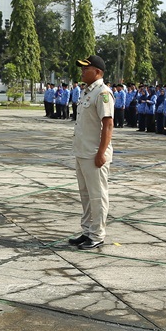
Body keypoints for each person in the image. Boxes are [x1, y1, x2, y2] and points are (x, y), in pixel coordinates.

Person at [68, 55, 113, 251]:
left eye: (86, 69)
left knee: (97, 195)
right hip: (82, 151)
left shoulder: (103, 93)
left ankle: (97, 235)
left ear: (98, 72)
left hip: (95, 153)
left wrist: (101, 153)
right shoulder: (86, 92)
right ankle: (87, 231)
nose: (82, 72)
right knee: (85, 195)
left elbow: (108, 125)